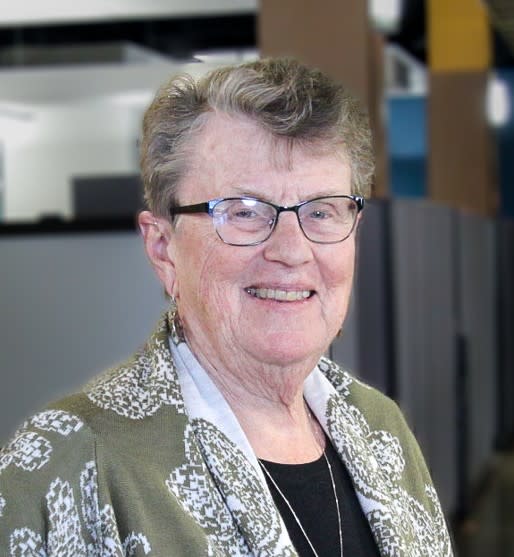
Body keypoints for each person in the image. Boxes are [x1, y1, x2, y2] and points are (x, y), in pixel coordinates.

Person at [0, 58, 453, 556]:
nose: (292, 250)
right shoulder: (66, 464)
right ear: (163, 248)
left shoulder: (380, 429)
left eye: (321, 211)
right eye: (244, 211)